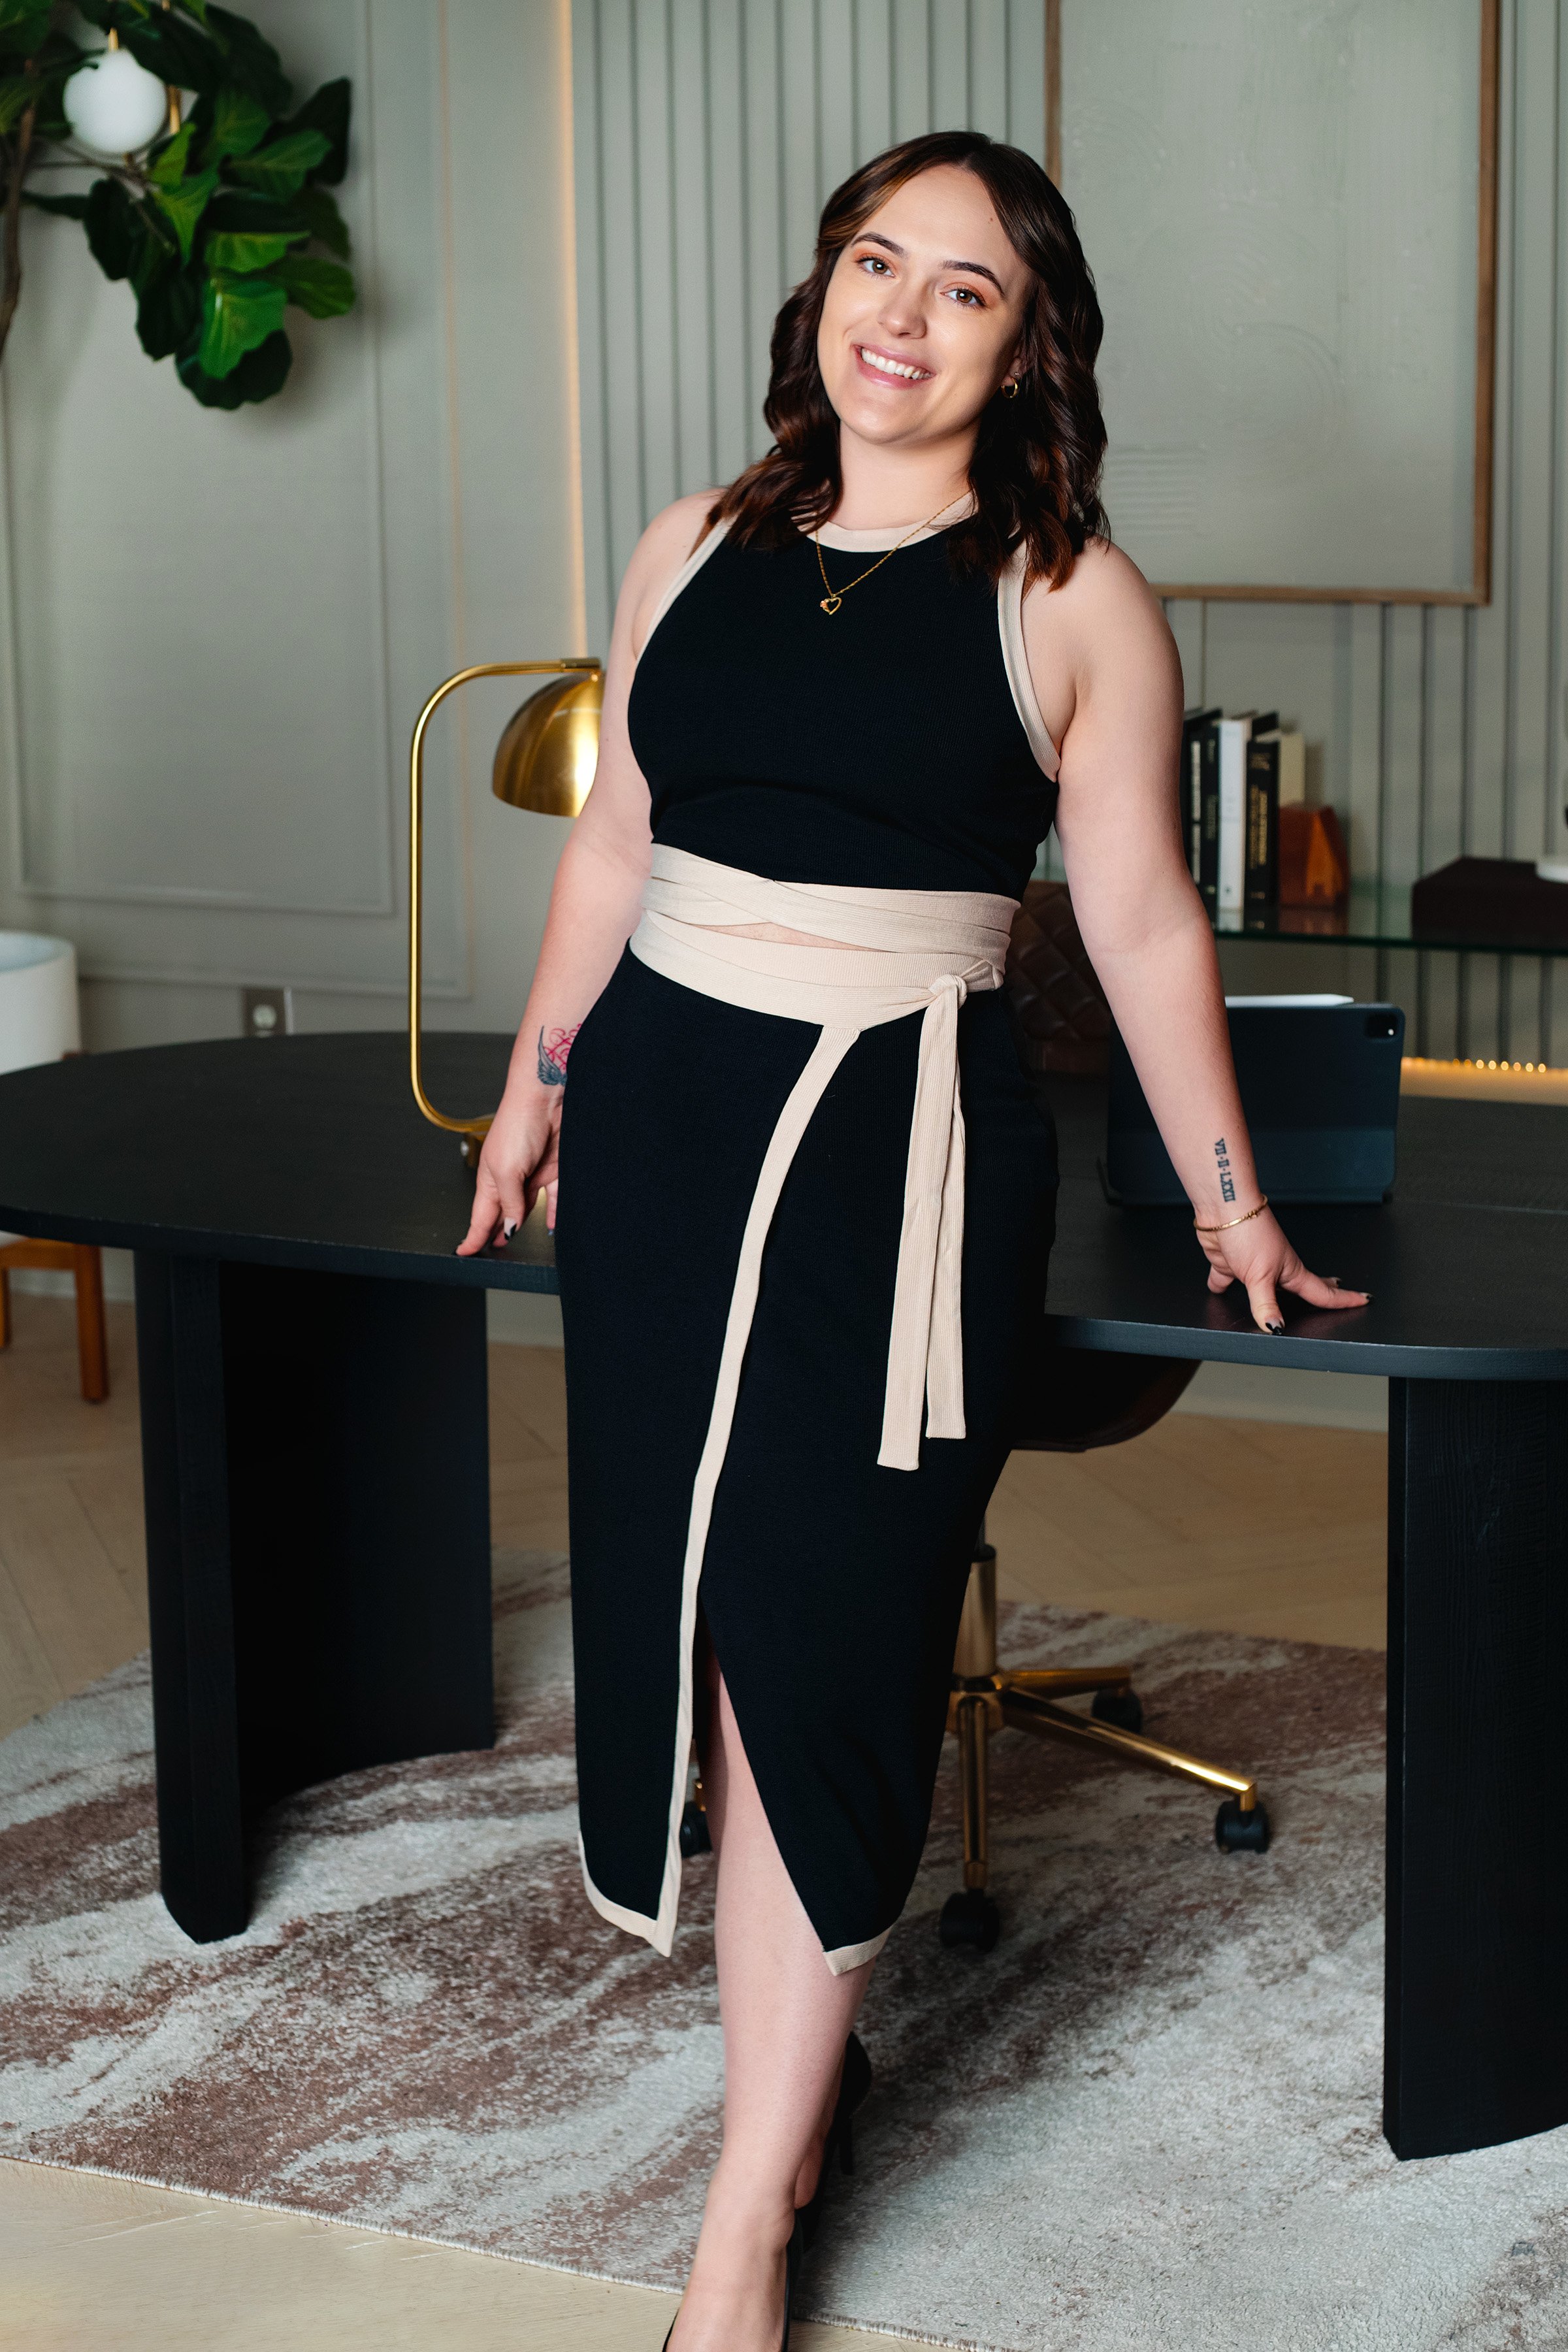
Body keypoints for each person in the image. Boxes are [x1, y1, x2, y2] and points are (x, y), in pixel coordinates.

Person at [457, 128, 1366, 2352]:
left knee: (831, 1642)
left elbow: (1141, 921)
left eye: (963, 288)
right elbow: (612, 856)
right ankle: (788, 2103)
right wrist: (531, 1086)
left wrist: (1234, 1197)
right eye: (879, 263)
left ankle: (743, 2233)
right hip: (665, 1120)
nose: (902, 312)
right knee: (722, 1638)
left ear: (1022, 341)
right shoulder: (693, 538)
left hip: (902, 1150)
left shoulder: (1070, 592)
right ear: (825, 290)